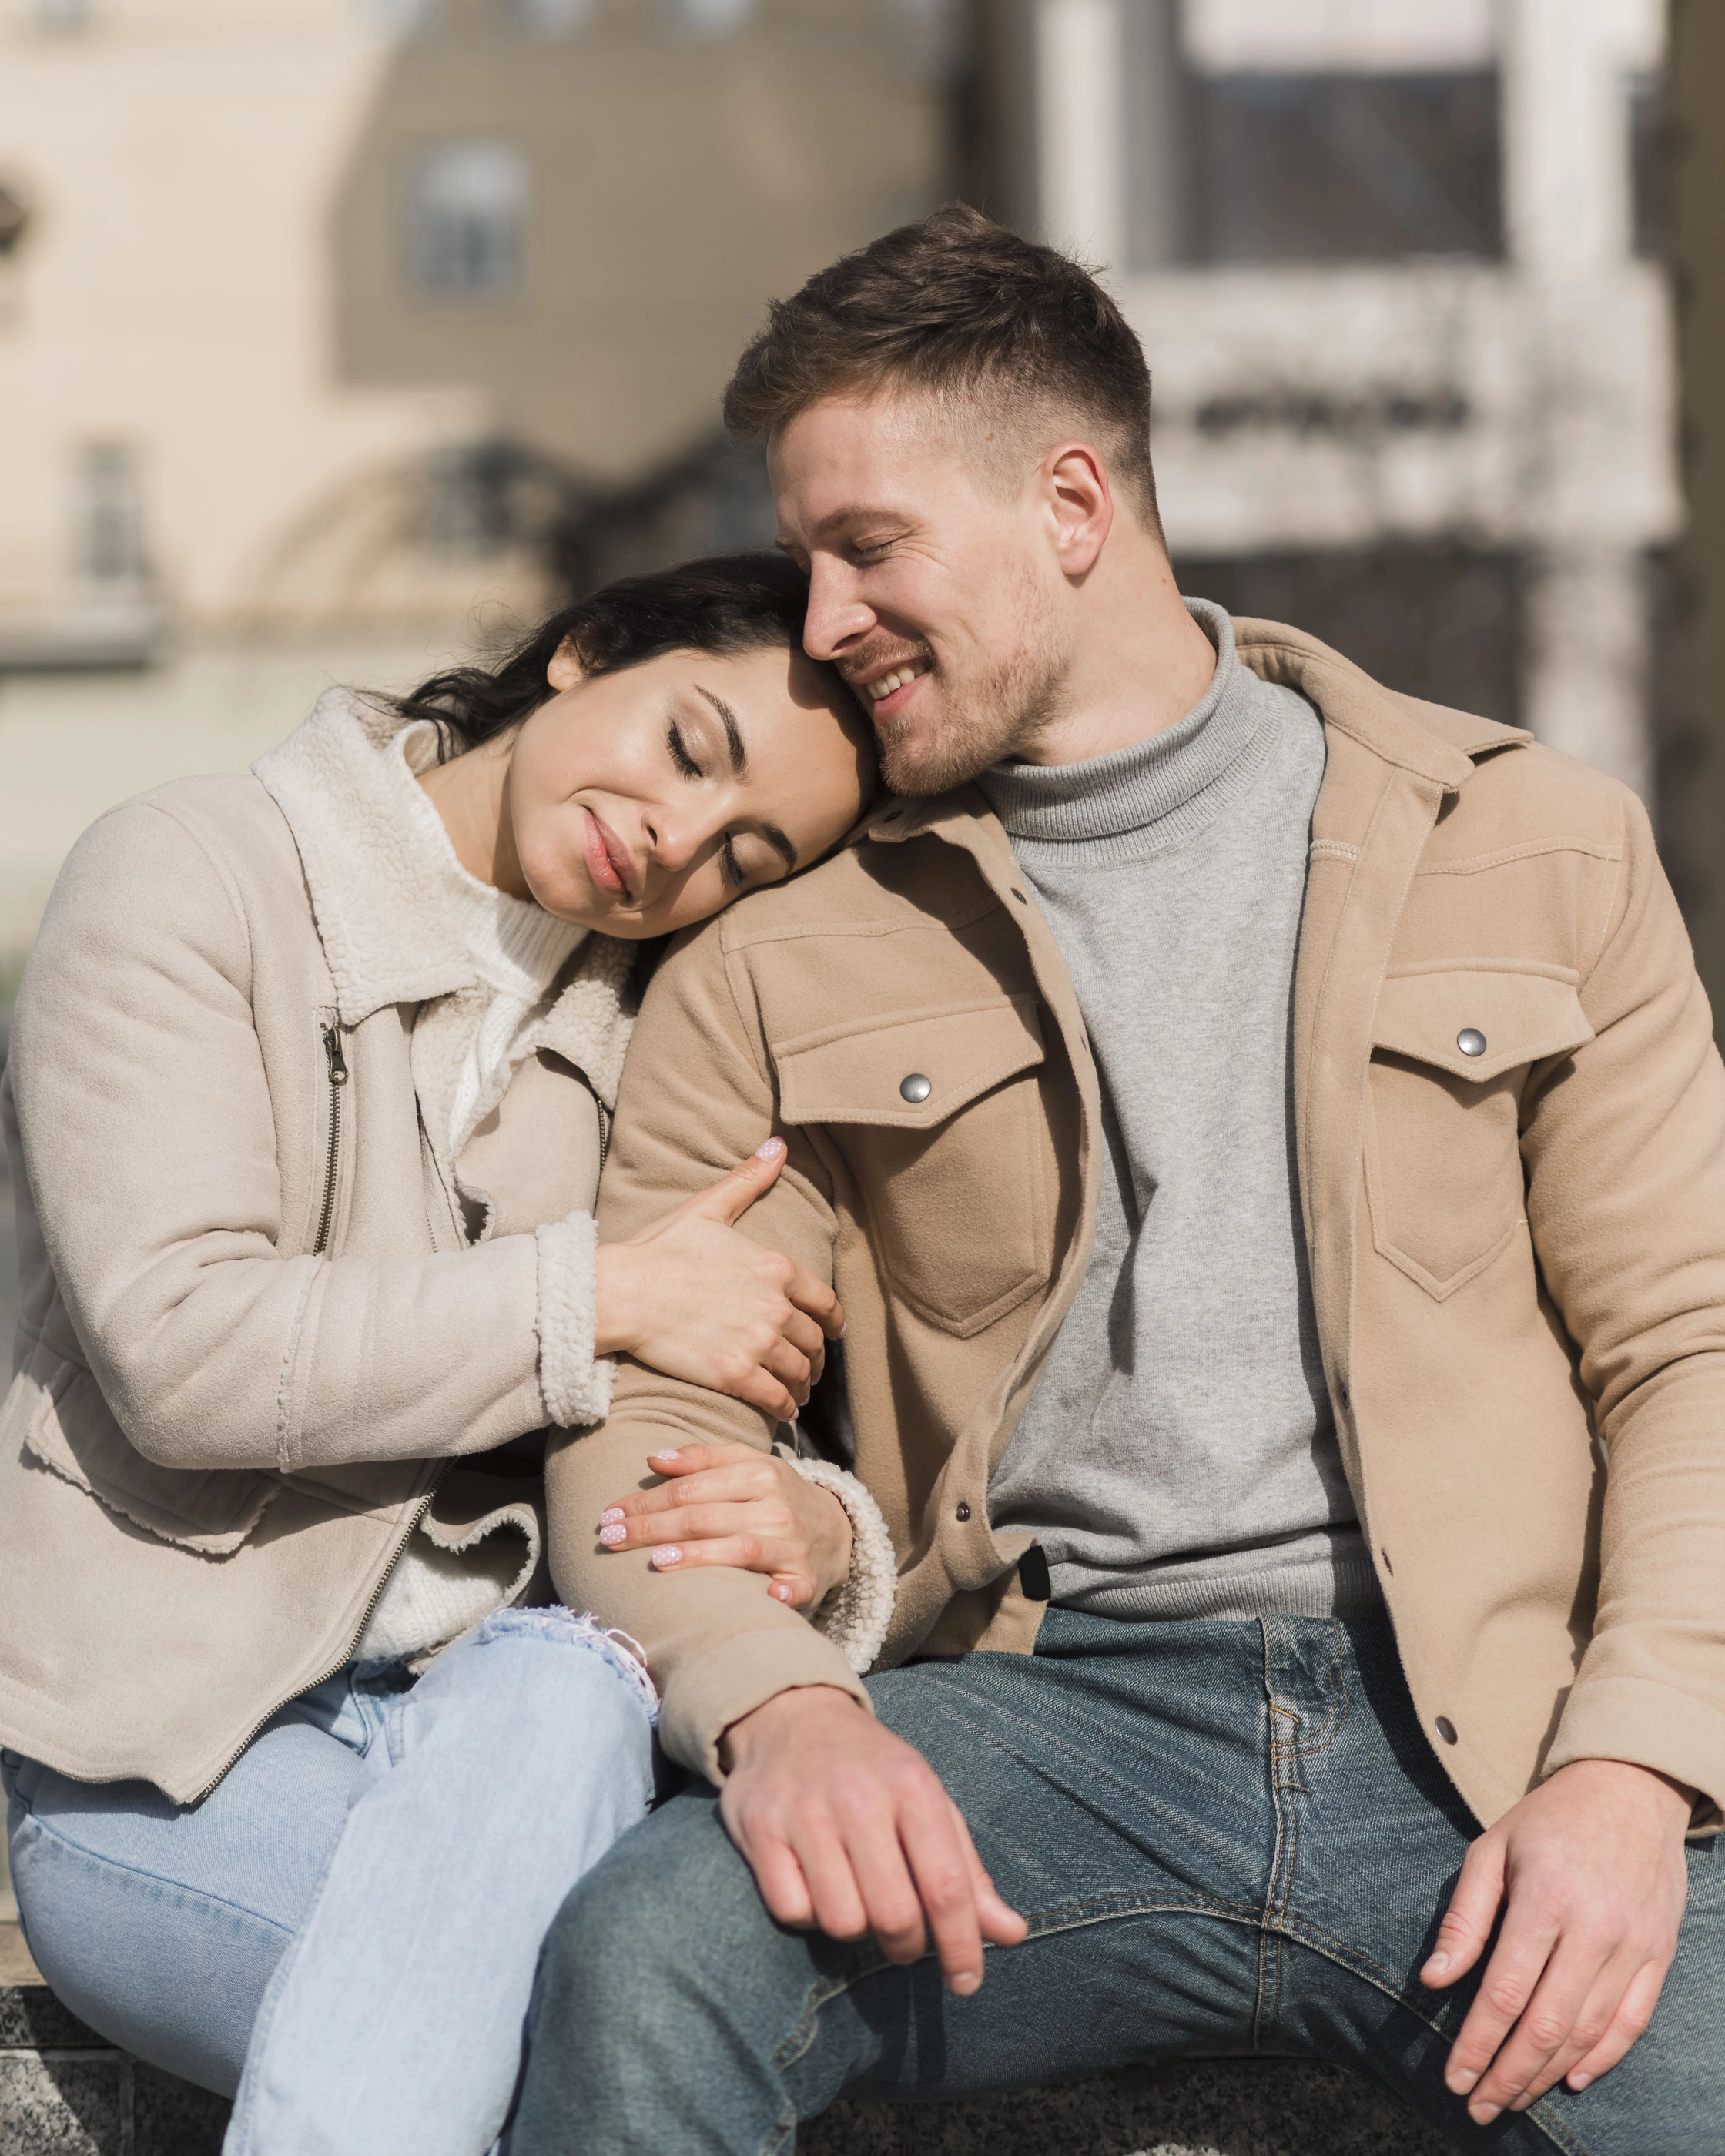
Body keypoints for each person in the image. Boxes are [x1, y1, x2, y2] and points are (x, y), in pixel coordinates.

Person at [508, 209, 1725, 2155]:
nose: (820, 622)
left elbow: (1690, 1347)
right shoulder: (769, 953)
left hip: (1488, 1737)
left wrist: (1636, 1770)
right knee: (645, 1950)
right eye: (809, 556)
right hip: (1035, 1725)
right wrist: (778, 1710)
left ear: (1071, 501)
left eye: (868, 549)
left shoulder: (1537, 845)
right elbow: (645, 1395)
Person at [0, 553, 896, 2156]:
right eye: (691, 746)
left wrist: (826, 1527)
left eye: (742, 853)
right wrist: (595, 1296)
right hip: (167, 1763)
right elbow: (183, 1346)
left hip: (519, 1751)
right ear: (584, 649)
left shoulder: (671, 1032)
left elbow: (747, 1392)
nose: (674, 840)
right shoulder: (190, 871)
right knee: (598, 2035)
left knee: (562, 1677)